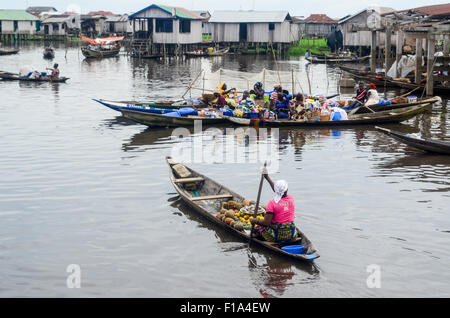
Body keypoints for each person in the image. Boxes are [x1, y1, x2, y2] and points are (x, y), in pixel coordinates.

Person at [250, 168, 299, 243]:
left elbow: (266, 223)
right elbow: (278, 191)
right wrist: (267, 177)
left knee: (259, 228)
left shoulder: (272, 203)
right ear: (286, 190)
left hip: (276, 237)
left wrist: (255, 220)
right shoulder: (291, 199)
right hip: (292, 235)